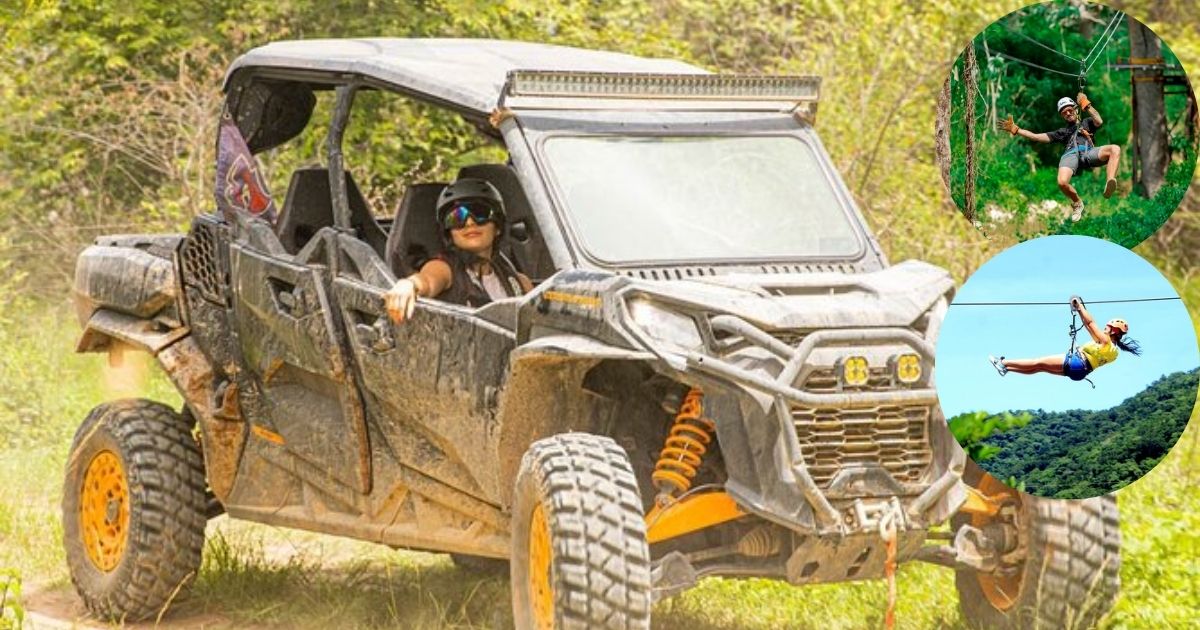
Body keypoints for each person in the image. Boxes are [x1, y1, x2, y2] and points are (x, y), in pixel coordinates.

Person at [384, 178, 532, 323]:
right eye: (456, 217)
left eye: (480, 213)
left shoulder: (518, 281)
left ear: (497, 227)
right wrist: (408, 285)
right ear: (450, 233)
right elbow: (426, 281)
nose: (469, 222)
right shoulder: (445, 268)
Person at [997, 92, 1121, 222]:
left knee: (1115, 149)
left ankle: (1110, 182)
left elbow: (1099, 120)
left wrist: (1086, 104)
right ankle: (1077, 203)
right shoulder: (1062, 132)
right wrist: (1017, 130)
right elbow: (1036, 136)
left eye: (1069, 110)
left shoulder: (1087, 122)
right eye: (1064, 113)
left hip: (1088, 152)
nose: (1067, 113)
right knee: (1062, 182)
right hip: (1070, 154)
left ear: (1075, 109)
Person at [988, 297, 1142, 381]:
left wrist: (1079, 306)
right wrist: (1080, 310)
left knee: (1038, 361)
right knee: (1039, 368)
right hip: (1080, 373)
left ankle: (1003, 363)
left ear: (1114, 330)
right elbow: (1089, 327)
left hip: (1076, 362)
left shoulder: (1106, 341)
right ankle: (1007, 368)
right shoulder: (1113, 352)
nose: (1104, 328)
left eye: (1107, 327)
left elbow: (1090, 323)